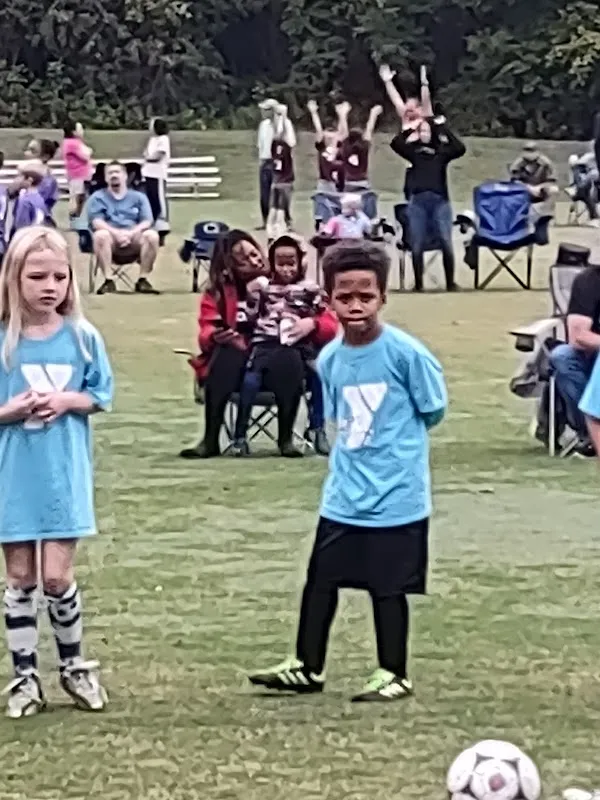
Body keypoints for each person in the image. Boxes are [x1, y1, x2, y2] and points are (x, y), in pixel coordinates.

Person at [247, 240, 447, 701]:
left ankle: (393, 671)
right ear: (329, 299)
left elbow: (432, 410)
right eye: (345, 297)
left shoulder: (406, 354)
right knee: (321, 580)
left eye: (366, 296)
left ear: (383, 297)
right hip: (345, 492)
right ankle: (307, 665)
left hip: (396, 494)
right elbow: (341, 417)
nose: (355, 306)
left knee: (388, 587)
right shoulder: (332, 358)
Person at [0, 225, 113, 718]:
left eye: (59, 276)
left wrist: (67, 400)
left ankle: (74, 667)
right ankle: (25, 677)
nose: (49, 286)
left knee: (54, 576)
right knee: (20, 576)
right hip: (13, 476)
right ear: (14, 279)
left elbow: (99, 395)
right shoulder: (5, 341)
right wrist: (11, 411)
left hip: (62, 475)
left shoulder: (83, 338)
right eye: (37, 276)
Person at [179, 230, 338, 460]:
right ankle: (210, 440)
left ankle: (286, 440)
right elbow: (206, 331)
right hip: (240, 362)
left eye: (254, 253)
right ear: (229, 266)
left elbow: (330, 323)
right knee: (226, 355)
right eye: (243, 260)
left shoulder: (292, 282)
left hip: (281, 357)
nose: (255, 261)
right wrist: (216, 335)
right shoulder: (219, 292)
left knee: (287, 355)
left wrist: (311, 324)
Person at [232, 235, 331, 456]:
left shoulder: (310, 289)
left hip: (297, 346)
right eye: (281, 263)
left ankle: (312, 430)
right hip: (264, 344)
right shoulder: (264, 287)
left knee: (315, 373)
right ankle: (239, 436)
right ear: (272, 263)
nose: (286, 269)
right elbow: (247, 318)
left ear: (301, 263)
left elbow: (327, 316)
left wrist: (311, 322)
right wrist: (250, 296)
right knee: (250, 382)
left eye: (291, 263)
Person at [390, 117, 466, 292]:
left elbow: (459, 149)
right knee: (417, 241)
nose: (424, 134)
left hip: (440, 201)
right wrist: (411, 128)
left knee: (445, 240)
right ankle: (418, 284)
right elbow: (396, 144)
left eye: (426, 131)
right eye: (421, 131)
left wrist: (442, 128)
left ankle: (450, 283)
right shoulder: (414, 152)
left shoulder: (441, 152)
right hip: (417, 202)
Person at [87, 160, 160, 295]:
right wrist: (117, 234)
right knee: (100, 235)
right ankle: (108, 281)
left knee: (152, 236)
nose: (114, 175)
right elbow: (96, 221)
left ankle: (142, 280)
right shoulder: (97, 198)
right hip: (111, 241)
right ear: (105, 177)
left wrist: (131, 233)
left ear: (126, 176)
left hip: (134, 240)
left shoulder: (139, 197)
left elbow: (147, 220)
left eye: (117, 172)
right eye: (110, 173)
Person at [549, 266, 600, 456]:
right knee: (562, 356)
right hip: (592, 353)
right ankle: (588, 432)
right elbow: (578, 337)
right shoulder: (590, 281)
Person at [256, 99, 296, 230]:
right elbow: (261, 145)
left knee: (281, 192)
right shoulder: (263, 125)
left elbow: (290, 142)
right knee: (265, 192)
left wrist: (282, 119)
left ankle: (286, 219)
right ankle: (266, 219)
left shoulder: (285, 124)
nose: (263, 112)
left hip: (279, 161)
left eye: (266, 109)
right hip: (266, 160)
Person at [336, 102, 382, 192]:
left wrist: (342, 114)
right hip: (359, 180)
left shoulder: (351, 146)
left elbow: (345, 136)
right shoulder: (359, 147)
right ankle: (343, 114)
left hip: (357, 180)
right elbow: (367, 134)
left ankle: (343, 113)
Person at [266, 104, 296, 240]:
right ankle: (280, 230)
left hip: (275, 180)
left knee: (273, 207)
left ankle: (269, 228)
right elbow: (288, 137)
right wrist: (284, 116)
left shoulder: (274, 147)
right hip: (286, 181)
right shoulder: (286, 148)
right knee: (281, 209)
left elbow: (277, 133)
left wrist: (279, 117)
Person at [62, 121, 93, 219]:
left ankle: (77, 219)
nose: (82, 131)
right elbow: (86, 155)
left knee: (80, 198)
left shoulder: (74, 142)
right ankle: (73, 219)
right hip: (77, 174)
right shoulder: (72, 143)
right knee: (76, 197)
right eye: (80, 129)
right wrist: (88, 150)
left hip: (80, 174)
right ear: (73, 132)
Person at [142, 117, 171, 223]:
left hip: (158, 173)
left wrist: (148, 158)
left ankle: (162, 218)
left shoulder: (163, 139)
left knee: (158, 196)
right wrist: (147, 157)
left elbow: (158, 155)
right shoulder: (152, 140)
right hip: (148, 172)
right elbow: (146, 153)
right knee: (150, 196)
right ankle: (152, 217)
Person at [10, 162, 48, 235]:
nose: (19, 180)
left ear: (29, 180)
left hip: (26, 236)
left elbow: (21, 225)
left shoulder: (25, 201)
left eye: (22, 178)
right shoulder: (39, 198)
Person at [38, 139, 60, 226]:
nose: (26, 153)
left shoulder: (48, 181)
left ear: (45, 156)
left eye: (32, 150)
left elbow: (49, 201)